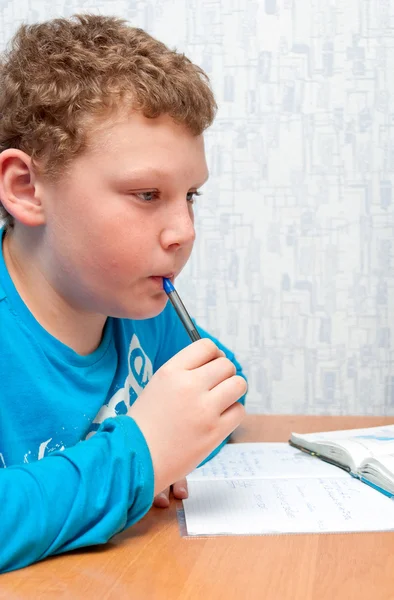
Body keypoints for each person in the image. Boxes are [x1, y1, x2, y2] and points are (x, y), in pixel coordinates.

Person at [0, 14, 247, 573]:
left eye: (191, 197)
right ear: (26, 188)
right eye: (146, 193)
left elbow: (227, 382)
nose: (183, 229)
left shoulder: (136, 308)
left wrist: (173, 449)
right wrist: (139, 459)